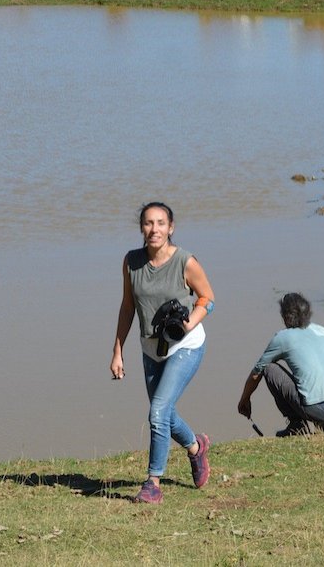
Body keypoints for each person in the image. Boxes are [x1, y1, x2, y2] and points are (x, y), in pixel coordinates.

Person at [110, 202, 215, 504]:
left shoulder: (185, 261)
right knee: (164, 414)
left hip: (186, 345)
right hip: (150, 349)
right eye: (148, 223)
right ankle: (196, 447)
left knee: (157, 411)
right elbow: (128, 307)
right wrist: (118, 351)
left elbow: (208, 298)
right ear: (141, 228)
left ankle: (152, 484)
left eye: (160, 223)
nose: (154, 229)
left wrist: (188, 323)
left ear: (171, 227)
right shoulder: (131, 262)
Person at [237, 292, 324, 436]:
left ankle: (297, 425)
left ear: (285, 317)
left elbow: (257, 372)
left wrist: (245, 399)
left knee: (269, 368)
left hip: (318, 409)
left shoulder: (283, 337)